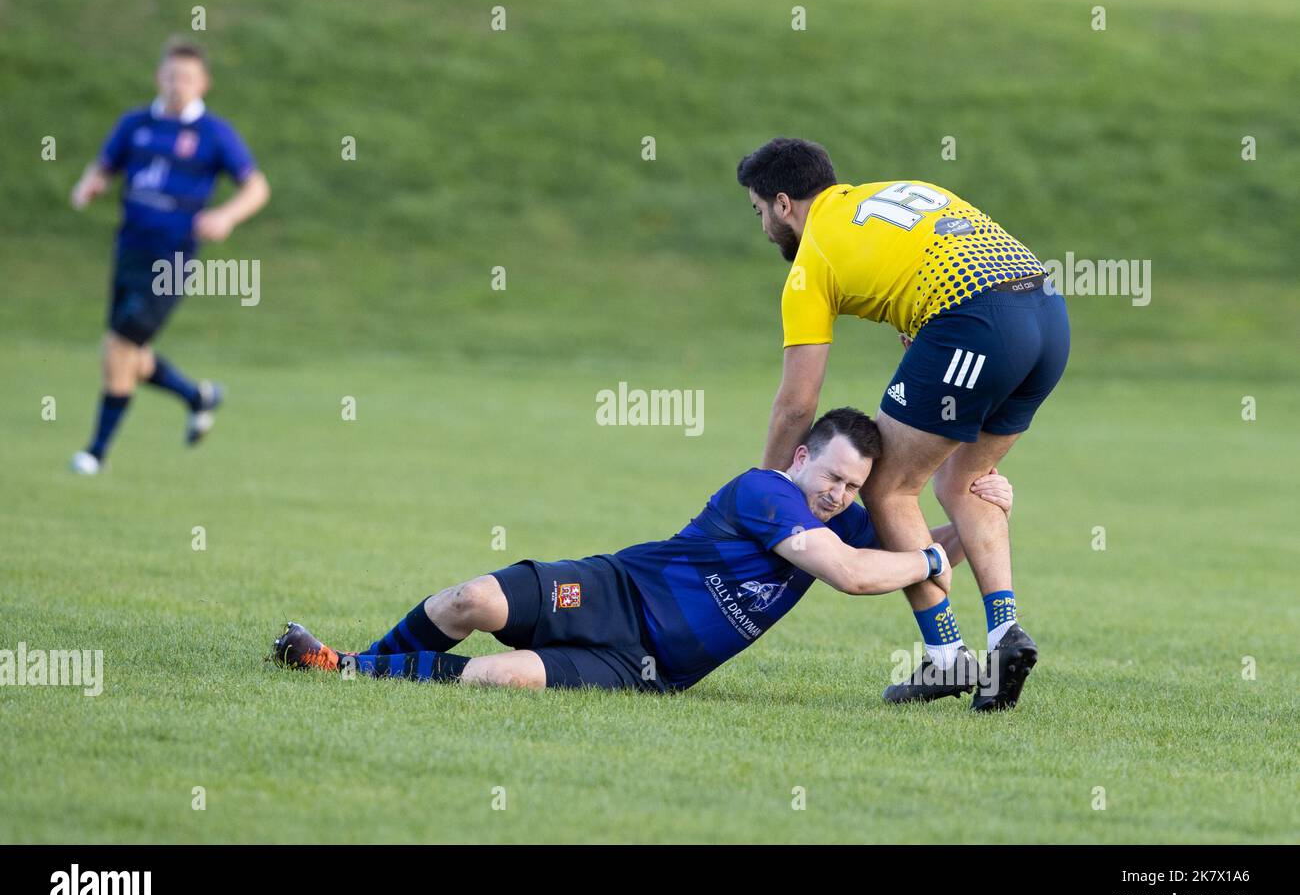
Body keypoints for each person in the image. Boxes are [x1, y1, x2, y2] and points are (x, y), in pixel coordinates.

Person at [271, 408, 1017, 706]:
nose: (840, 495)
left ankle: (342, 670)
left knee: (498, 677)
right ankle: (355, 662)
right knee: (472, 602)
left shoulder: (843, 520)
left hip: (646, 669)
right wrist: (925, 566)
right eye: (832, 478)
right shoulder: (765, 492)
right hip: (615, 590)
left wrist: (972, 517)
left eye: (854, 487)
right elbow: (863, 575)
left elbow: (912, 550)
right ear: (801, 458)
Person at [736, 137, 1069, 710]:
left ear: (784, 203)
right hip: (1048, 315)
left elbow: (797, 404)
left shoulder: (812, 259)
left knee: (887, 484)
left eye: (760, 211)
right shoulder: (897, 191)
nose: (764, 227)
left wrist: (765, 492)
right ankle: (1004, 634)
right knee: (964, 481)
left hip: (978, 322)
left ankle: (947, 657)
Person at [68, 37, 270, 474]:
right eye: (171, 75)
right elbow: (105, 165)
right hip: (129, 252)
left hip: (172, 260)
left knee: (118, 346)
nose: (178, 85)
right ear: (159, 77)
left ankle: (95, 453)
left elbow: (257, 188)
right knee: (132, 355)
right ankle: (197, 397)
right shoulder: (135, 124)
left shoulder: (215, 134)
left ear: (204, 84)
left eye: (188, 78)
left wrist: (227, 216)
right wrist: (91, 183)